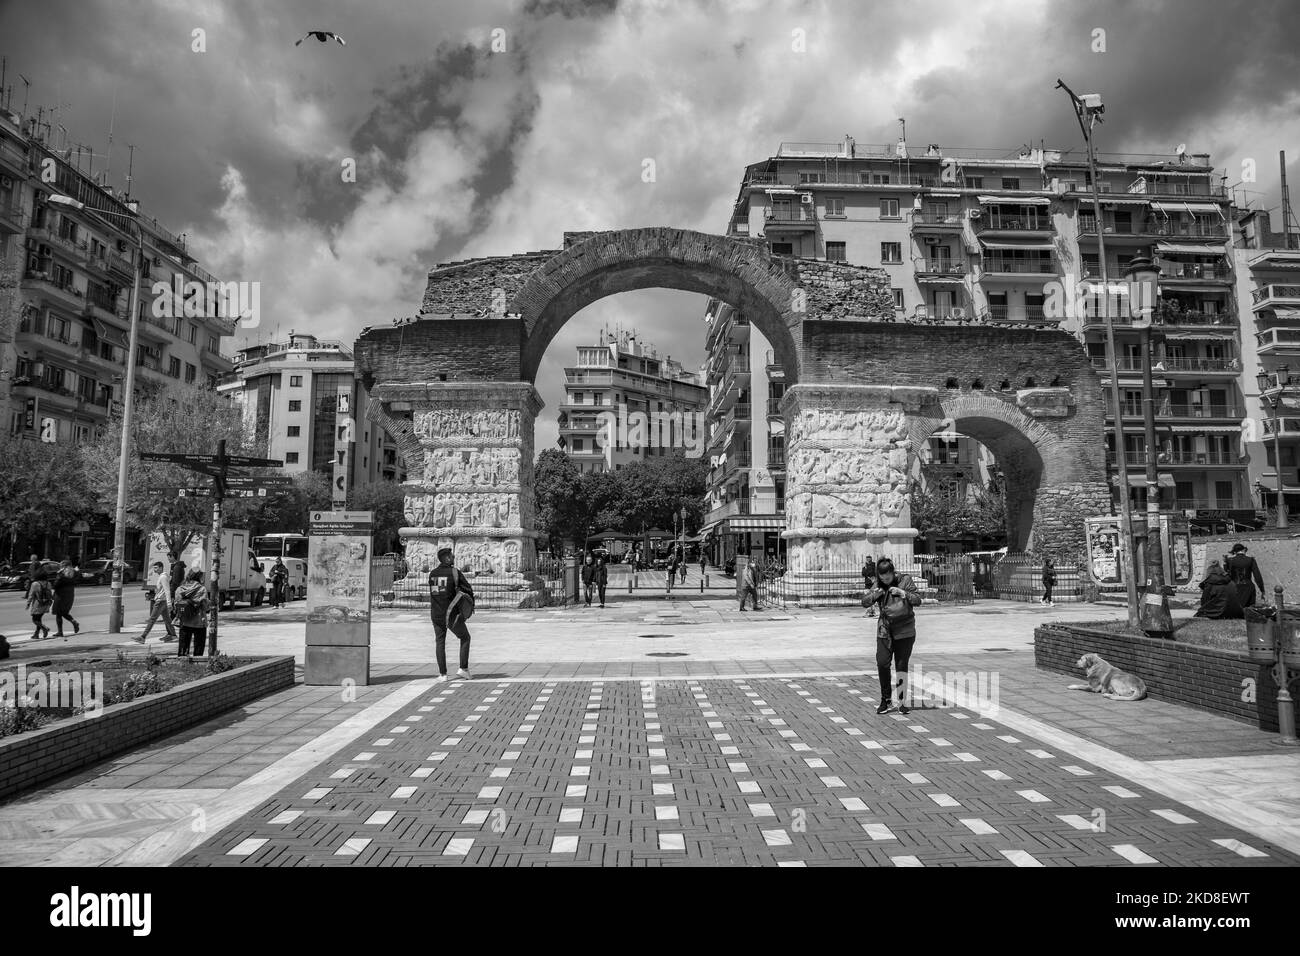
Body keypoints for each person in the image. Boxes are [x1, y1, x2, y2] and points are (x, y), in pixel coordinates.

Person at [862, 558, 923, 715]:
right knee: (882, 664)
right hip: (884, 631)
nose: (884, 580)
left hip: (904, 631)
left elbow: (917, 600)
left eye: (887, 577)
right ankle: (886, 700)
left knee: (901, 666)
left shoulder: (905, 580)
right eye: (881, 577)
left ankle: (901, 701)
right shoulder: (879, 585)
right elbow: (865, 602)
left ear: (892, 572)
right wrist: (875, 595)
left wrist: (903, 593)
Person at [428, 547, 473, 681]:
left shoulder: (433, 574)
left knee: (440, 642)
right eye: (451, 556)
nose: (453, 558)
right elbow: (468, 589)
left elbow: (436, 593)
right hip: (451, 614)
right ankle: (463, 669)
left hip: (436, 614)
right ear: (447, 558)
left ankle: (443, 674)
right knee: (465, 637)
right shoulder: (454, 572)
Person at [138, 560, 178, 643]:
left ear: (161, 568)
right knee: (167, 619)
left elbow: (167, 590)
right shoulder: (163, 576)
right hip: (162, 601)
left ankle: (143, 637)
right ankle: (173, 635)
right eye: (154, 568)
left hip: (160, 601)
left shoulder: (163, 577)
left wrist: (169, 603)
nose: (154, 570)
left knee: (152, 619)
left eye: (156, 568)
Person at [174, 569, 211, 656]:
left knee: (183, 646)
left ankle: (182, 663)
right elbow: (205, 607)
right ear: (199, 577)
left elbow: (176, 604)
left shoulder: (180, 589)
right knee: (199, 647)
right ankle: (197, 664)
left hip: (184, 621)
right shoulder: (202, 589)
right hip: (199, 621)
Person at [1224, 543, 1264, 609]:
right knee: (1249, 608)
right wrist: (1262, 589)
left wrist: (1225, 564)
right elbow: (1257, 576)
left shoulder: (1230, 561)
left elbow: (1227, 575)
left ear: (1234, 551)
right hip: (1248, 587)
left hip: (1234, 588)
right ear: (1243, 550)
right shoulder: (1251, 560)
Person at [51, 558, 81, 637]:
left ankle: (60, 632)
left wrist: (58, 575)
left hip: (60, 596)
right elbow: (78, 579)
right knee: (64, 612)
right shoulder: (74, 574)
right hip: (70, 595)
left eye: (61, 566)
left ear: (64, 566)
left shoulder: (61, 574)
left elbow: (55, 585)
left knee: (59, 614)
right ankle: (73, 621)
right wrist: (77, 571)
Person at [26, 570, 52, 641]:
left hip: (38, 603)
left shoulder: (35, 584)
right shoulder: (48, 583)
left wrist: (28, 603)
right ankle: (36, 634)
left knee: (34, 619)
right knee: (39, 618)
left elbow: (31, 594)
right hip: (46, 603)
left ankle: (44, 628)